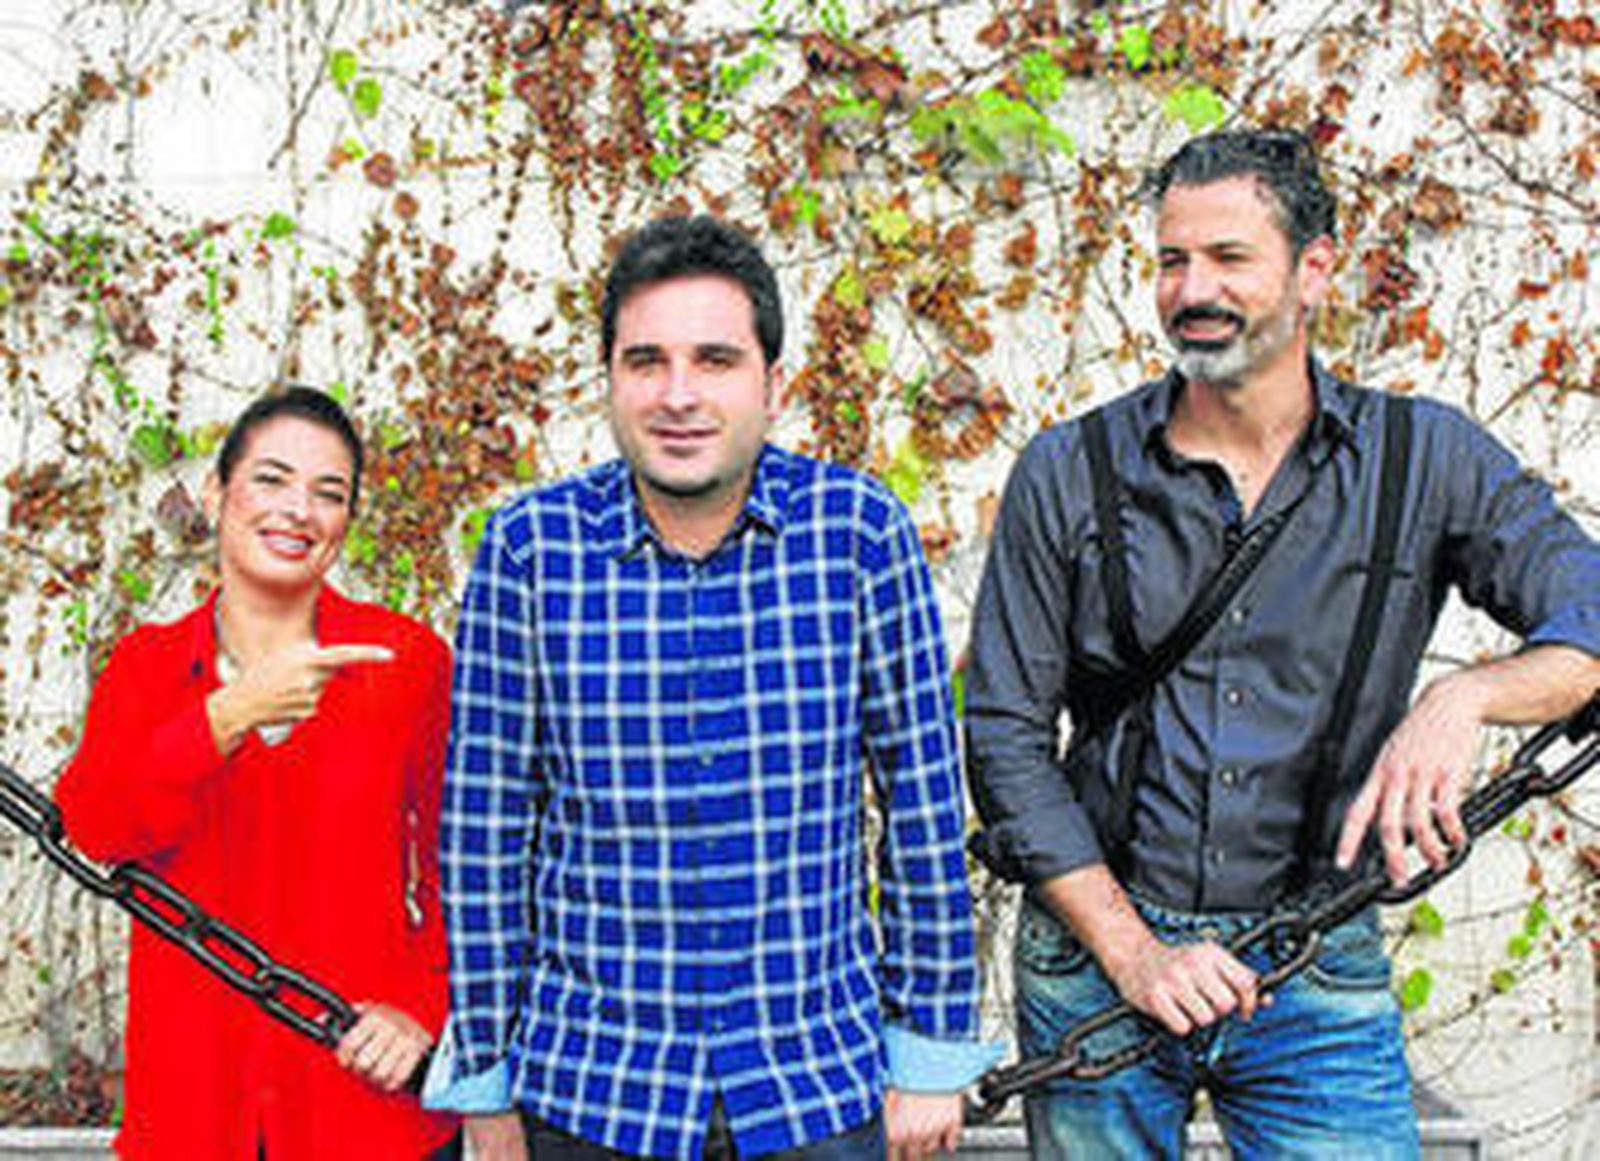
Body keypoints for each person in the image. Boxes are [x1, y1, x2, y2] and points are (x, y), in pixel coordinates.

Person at [965, 129, 1600, 1157]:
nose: (1189, 288)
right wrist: (1132, 954)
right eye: (1171, 259)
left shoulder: (1422, 460)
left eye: (1227, 258)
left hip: (1315, 962)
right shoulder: (1065, 471)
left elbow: (1590, 610)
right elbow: (1001, 736)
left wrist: (1465, 696)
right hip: (1094, 959)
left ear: (1314, 269)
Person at [425, 215, 997, 1160]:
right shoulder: (531, 551)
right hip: (590, 1088)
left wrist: (929, 1050)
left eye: (715, 360)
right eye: (646, 360)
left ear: (773, 384)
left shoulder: (857, 535)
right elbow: (486, 833)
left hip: (816, 1081)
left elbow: (924, 804)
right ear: (608, 378)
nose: (678, 394)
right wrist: (484, 1080)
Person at [54, 387, 457, 1159]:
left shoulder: (404, 661)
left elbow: (464, 863)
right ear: (217, 494)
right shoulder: (148, 667)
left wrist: (421, 1005)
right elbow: (96, 827)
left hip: (356, 1103)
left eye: (328, 492)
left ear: (346, 521)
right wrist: (225, 716)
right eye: (271, 479)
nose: (298, 509)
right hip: (195, 1109)